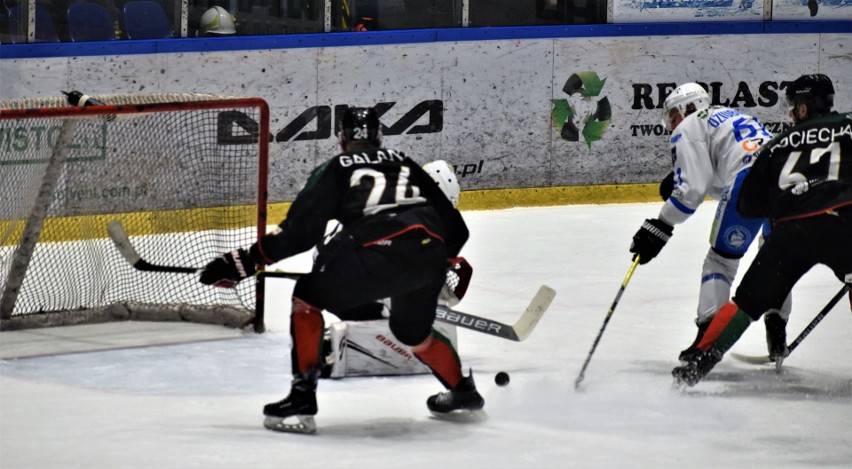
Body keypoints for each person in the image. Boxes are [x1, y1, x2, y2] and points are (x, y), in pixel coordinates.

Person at [199, 107, 483, 433]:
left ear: (341, 141)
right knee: (413, 335)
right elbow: (457, 230)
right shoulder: (404, 162)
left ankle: (302, 397)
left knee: (307, 294)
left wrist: (243, 262)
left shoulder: (335, 168)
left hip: (379, 256)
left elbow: (299, 234)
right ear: (378, 138)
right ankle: (463, 392)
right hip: (427, 259)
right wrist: (438, 262)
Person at [672, 74, 852, 387]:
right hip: (844, 222)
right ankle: (776, 327)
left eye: (793, 106)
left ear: (805, 109)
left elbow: (753, 200)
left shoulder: (779, 143)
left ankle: (697, 364)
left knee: (745, 303)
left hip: (793, 230)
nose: (791, 112)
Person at [628, 83, 788, 363]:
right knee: (775, 257)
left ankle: (708, 338)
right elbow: (725, 171)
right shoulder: (733, 115)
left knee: (721, 261)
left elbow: (690, 194)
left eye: (673, 116)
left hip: (750, 184)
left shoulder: (688, 126)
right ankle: (777, 330)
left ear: (688, 107)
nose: (672, 124)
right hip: (786, 178)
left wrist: (659, 225)